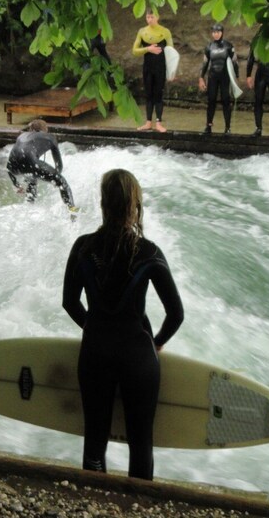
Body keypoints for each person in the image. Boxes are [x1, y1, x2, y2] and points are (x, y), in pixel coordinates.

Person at [62, 169, 184, 480]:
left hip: (95, 352)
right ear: (135, 206)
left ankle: (94, 508)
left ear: (103, 204)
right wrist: (155, 342)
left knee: (94, 441)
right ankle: (138, 511)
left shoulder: (82, 247)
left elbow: (70, 302)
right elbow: (176, 314)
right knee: (141, 443)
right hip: (137, 356)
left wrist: (94, 327)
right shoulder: (148, 252)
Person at [7, 119, 77, 211]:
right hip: (30, 161)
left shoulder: (21, 136)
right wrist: (56, 180)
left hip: (13, 166)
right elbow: (58, 164)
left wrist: (16, 184)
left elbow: (9, 167)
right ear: (45, 129)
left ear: (30, 129)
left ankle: (29, 207)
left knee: (32, 179)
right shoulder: (50, 137)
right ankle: (72, 211)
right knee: (63, 183)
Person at [132, 10, 173, 132]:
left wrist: (172, 71)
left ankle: (159, 123)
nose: (149, 19)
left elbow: (171, 53)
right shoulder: (142, 32)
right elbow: (134, 50)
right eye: (147, 17)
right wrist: (148, 49)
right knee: (148, 95)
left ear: (157, 17)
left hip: (160, 68)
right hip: (148, 68)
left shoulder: (165, 32)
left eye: (152, 17)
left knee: (158, 95)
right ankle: (148, 122)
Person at [198, 24, 238, 135]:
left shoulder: (228, 46)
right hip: (213, 77)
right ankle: (208, 126)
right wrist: (201, 77)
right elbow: (205, 63)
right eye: (214, 32)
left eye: (218, 32)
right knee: (211, 101)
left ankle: (228, 127)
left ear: (222, 33)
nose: (216, 34)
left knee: (226, 101)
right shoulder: (209, 47)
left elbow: (235, 63)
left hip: (225, 77)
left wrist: (236, 79)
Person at [246, 52, 269, 138]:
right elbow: (251, 57)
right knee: (258, 101)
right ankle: (258, 128)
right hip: (261, 73)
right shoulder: (258, 39)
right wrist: (248, 75)